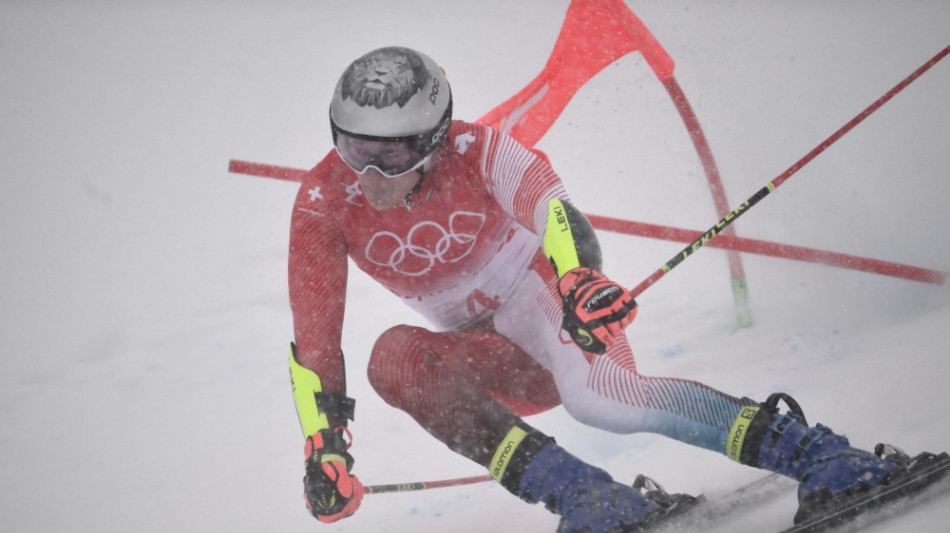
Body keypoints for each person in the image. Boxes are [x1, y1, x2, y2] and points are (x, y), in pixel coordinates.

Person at [286, 46, 933, 532]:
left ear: (431, 140)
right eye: (349, 146)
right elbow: (317, 343)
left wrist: (579, 280)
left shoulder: (475, 150)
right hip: (489, 360)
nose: (366, 172)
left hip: (548, 306)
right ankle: (588, 496)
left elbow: (549, 203)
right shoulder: (323, 200)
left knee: (606, 400)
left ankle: (818, 451)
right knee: (391, 357)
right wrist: (325, 448)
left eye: (390, 157)